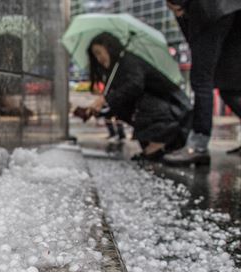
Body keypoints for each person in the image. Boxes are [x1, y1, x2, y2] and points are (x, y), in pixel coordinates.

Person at [81, 32, 192, 160]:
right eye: (95, 55)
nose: (98, 58)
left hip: (175, 112)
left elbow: (135, 86)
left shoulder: (129, 62)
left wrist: (106, 99)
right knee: (122, 104)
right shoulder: (117, 69)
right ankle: (155, 143)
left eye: (99, 52)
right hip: (166, 113)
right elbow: (120, 102)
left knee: (136, 100)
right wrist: (98, 111)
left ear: (109, 48)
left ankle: (159, 142)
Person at [164, 0, 241, 164]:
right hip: (233, 8)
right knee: (231, 84)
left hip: (208, 8)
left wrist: (177, 3)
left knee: (201, 78)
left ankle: (198, 144)